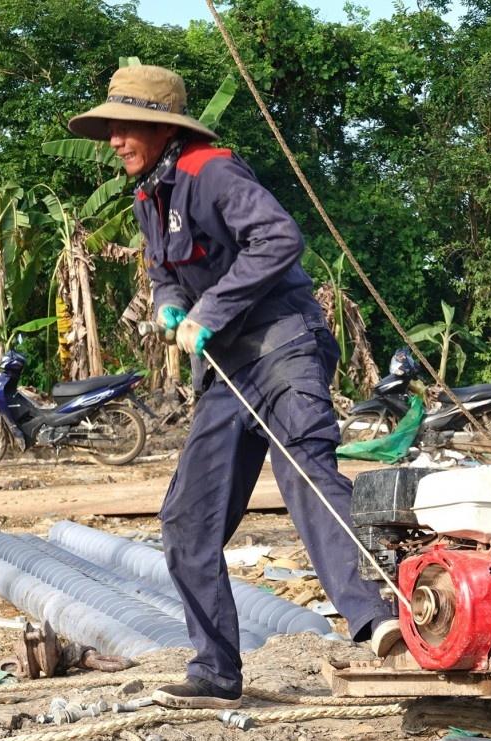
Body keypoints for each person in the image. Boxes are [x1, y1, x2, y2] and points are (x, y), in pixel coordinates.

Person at [69, 65, 401, 708]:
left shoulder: (210, 170)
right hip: (226, 373)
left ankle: (381, 619)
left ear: (161, 129)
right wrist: (170, 304)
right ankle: (216, 673)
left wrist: (208, 312)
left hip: (283, 348)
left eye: (123, 124)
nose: (112, 138)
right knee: (186, 520)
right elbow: (166, 273)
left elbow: (278, 239)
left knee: (307, 477)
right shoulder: (148, 198)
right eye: (109, 126)